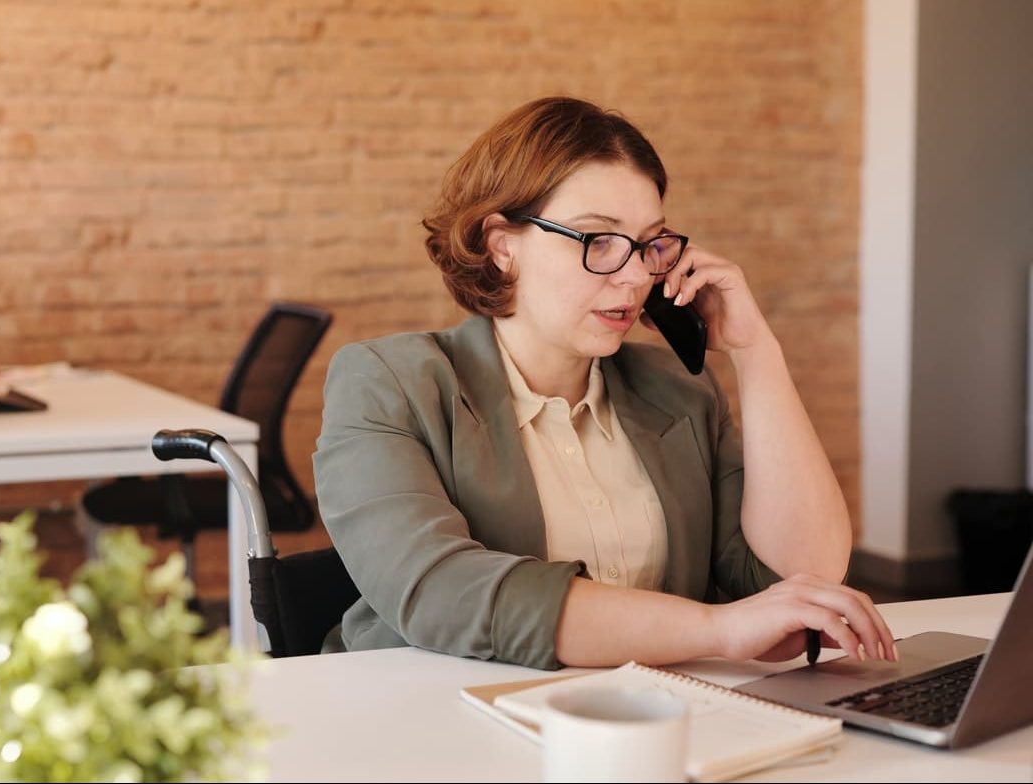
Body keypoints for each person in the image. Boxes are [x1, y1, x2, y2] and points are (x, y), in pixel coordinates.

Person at [312, 96, 895, 670]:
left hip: (640, 723)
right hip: (429, 718)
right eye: (599, 239)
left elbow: (803, 577)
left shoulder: (677, 388)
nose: (638, 272)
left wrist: (754, 351)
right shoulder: (388, 382)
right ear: (503, 245)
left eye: (649, 243)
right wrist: (716, 629)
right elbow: (438, 589)